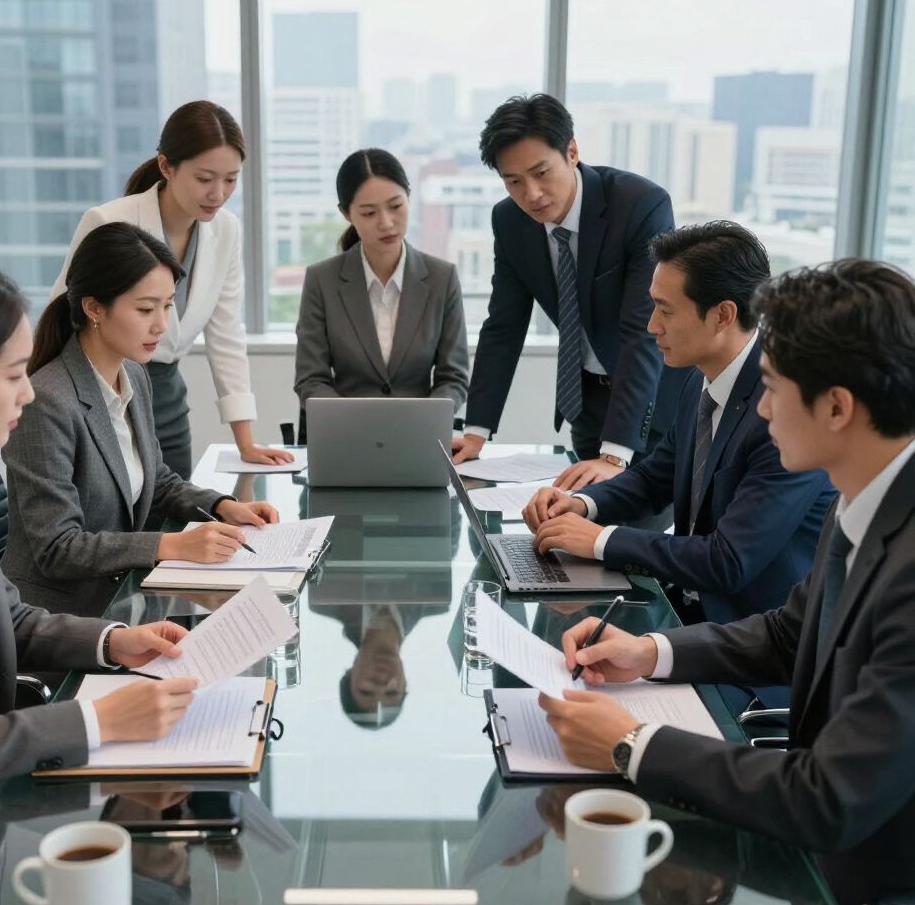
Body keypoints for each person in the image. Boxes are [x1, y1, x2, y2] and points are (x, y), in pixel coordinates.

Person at [538, 259, 915, 905]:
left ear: (836, 407)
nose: (761, 407)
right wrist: (650, 652)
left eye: (772, 388)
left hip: (869, 903)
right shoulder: (861, 498)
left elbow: (829, 798)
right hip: (811, 866)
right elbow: (787, 631)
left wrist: (633, 744)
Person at [0, 256, 198, 822]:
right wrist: (98, 721)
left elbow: (8, 619)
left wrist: (113, 640)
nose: (28, 394)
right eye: (13, 376)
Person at [523, 222, 835, 629]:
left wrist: (599, 540)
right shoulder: (699, 379)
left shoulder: (784, 410)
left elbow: (728, 561)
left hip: (752, 646)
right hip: (687, 615)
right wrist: (583, 504)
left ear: (723, 315)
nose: (652, 325)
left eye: (665, 310)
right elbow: (655, 477)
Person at [2, 222, 279, 618]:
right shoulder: (47, 401)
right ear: (94, 308)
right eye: (146, 309)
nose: (162, 325)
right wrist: (170, 546)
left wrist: (220, 505)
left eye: (167, 306)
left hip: (121, 602)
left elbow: (157, 479)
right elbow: (57, 548)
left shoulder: (133, 374)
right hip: (59, 619)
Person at [453, 94, 688, 495]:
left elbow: (641, 329)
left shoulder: (639, 205)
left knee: (633, 537)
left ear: (572, 151)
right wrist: (476, 431)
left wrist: (615, 454)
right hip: (587, 406)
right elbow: (503, 326)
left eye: (541, 172)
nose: (531, 194)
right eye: (513, 182)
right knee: (572, 539)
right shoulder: (509, 221)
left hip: (654, 407)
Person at [51, 100, 291, 477]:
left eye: (231, 179)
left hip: (165, 396)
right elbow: (62, 317)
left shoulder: (226, 230)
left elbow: (225, 334)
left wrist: (245, 442)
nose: (218, 193)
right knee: (111, 522)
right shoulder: (109, 221)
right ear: (167, 166)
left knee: (172, 516)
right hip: (98, 393)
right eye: (205, 178)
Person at [294, 148, 469, 428]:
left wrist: (424, 420)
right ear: (346, 214)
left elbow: (454, 377)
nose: (386, 223)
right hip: (345, 436)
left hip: (420, 436)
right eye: (368, 212)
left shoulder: (442, 278)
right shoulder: (321, 280)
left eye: (396, 206)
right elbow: (310, 379)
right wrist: (354, 423)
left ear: (409, 198)